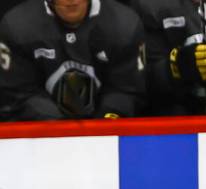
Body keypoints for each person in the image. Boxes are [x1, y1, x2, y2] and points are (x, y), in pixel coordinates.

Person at [0, 0, 145, 120]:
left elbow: (126, 90)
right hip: (40, 138)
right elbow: (18, 94)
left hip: (104, 134)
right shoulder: (17, 28)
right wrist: (57, 125)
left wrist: (104, 124)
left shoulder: (124, 25)